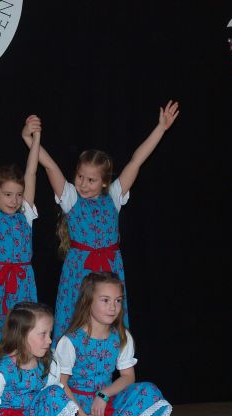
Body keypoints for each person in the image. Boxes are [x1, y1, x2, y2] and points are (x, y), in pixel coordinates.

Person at [22, 101, 180, 340]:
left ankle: (108, 358)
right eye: (80, 177)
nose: (83, 184)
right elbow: (49, 165)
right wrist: (29, 138)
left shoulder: (114, 196)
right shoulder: (70, 198)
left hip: (109, 270)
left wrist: (161, 128)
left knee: (106, 323)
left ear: (104, 182)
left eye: (91, 180)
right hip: (79, 271)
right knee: (77, 322)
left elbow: (136, 161)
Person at [56, 272, 172, 416]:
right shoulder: (71, 341)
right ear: (88, 302)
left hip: (106, 401)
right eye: (105, 300)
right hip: (76, 410)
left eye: (117, 301)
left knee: (148, 392)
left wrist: (104, 394)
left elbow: (128, 377)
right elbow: (61, 385)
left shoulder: (121, 336)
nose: (113, 307)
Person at [0, 115, 41, 404]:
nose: (14, 200)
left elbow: (32, 172)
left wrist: (35, 140)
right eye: (7, 194)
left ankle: (18, 404)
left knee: (23, 346)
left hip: (23, 287)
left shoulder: (26, 214)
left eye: (18, 194)